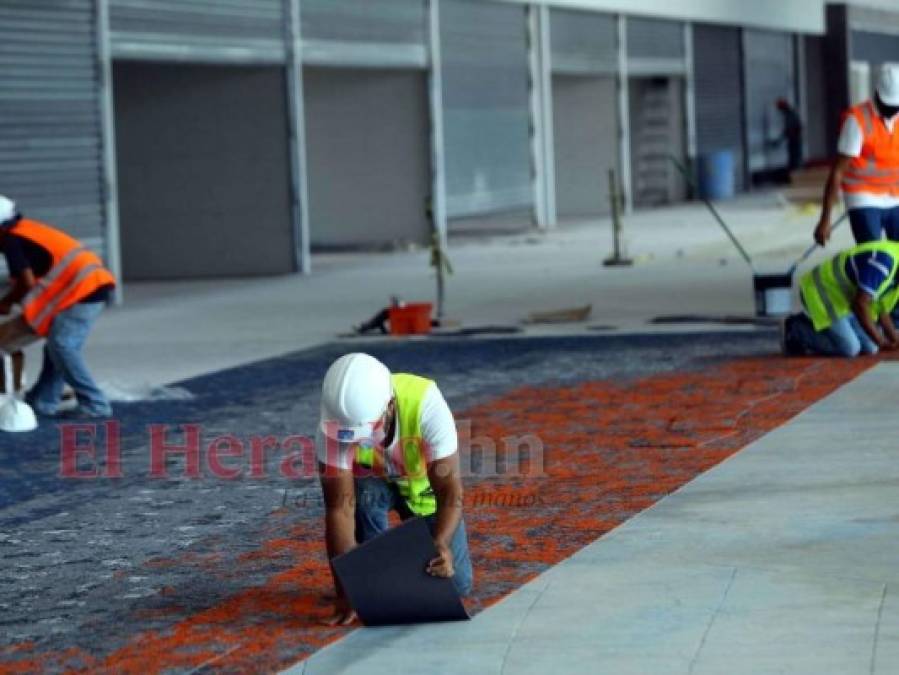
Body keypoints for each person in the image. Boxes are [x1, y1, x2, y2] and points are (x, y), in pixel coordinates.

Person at [316, 352, 472, 625]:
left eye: (367, 431)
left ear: (389, 406)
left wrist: (441, 544)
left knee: (457, 584)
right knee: (358, 498)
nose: (362, 442)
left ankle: (392, 566)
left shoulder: (426, 403)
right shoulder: (334, 425)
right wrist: (346, 587)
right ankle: (373, 571)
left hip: (422, 488)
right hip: (372, 485)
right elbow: (339, 510)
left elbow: (450, 490)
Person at [0, 195, 116, 418]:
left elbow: (26, 282)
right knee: (57, 345)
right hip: (87, 288)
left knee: (63, 346)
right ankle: (43, 400)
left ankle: (96, 405)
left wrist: (6, 302)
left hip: (85, 290)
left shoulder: (12, 240)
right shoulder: (25, 230)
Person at [815, 63, 899, 247]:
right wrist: (825, 218)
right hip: (863, 197)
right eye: (889, 106)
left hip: (895, 196)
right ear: (877, 94)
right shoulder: (857, 120)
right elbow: (838, 171)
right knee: (872, 255)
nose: (892, 112)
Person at [782, 240, 899, 357]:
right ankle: (796, 329)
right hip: (821, 292)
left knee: (871, 348)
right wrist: (881, 341)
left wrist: (894, 340)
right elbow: (860, 304)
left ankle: (830, 327)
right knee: (851, 348)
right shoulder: (883, 262)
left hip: (845, 301)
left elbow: (882, 310)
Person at [770, 98, 804, 173]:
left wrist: (779, 141)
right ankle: (794, 172)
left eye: (780, 109)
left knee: (795, 159)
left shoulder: (791, 115)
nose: (780, 111)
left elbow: (790, 129)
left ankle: (795, 173)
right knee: (794, 158)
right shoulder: (789, 115)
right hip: (793, 139)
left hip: (794, 140)